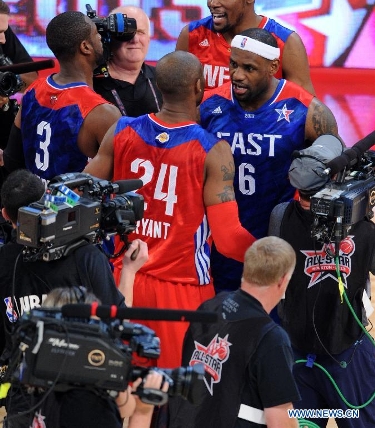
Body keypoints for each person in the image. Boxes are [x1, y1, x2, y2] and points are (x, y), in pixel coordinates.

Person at [84, 50, 256, 368]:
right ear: (198, 87)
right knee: (178, 402)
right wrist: (271, 254)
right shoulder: (213, 150)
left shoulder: (121, 130)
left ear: (159, 86)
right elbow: (229, 240)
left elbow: (82, 193)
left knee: (124, 392)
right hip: (183, 293)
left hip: (124, 280)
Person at [0, 169, 148, 428]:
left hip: (24, 401)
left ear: (5, 214)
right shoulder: (86, 256)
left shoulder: (3, 262)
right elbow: (118, 325)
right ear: (48, 199)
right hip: (82, 398)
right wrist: (129, 272)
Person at [200, 27, 338, 293]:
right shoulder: (208, 105)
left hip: (281, 238)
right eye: (233, 65)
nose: (237, 75)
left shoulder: (307, 111)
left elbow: (334, 173)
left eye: (249, 68)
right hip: (218, 242)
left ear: (273, 66)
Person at [268, 135, 375, 428]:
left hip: (347, 354)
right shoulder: (280, 217)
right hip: (300, 357)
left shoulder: (363, 227)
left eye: (311, 194)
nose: (306, 202)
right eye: (301, 194)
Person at [168, 236, 300, 428]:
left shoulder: (209, 306)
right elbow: (281, 422)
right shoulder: (271, 338)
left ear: (246, 269)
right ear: (282, 281)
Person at [4, 286, 168, 428]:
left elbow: (122, 408)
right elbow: (120, 410)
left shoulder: (44, 377)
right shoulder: (84, 403)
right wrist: (143, 411)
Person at [2, 11, 121, 181]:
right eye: (96, 33)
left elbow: (12, 159)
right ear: (85, 47)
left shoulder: (33, 91)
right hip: (74, 207)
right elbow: (121, 179)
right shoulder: (103, 113)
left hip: (32, 205)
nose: (101, 38)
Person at [176, 0, 315, 94]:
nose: (213, 3)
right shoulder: (191, 35)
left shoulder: (286, 42)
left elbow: (305, 109)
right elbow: (175, 100)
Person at [93, 5, 163, 116]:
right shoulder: (91, 84)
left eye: (140, 32)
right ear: (109, 37)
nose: (135, 40)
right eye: (127, 33)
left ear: (149, 39)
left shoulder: (163, 80)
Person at [0, 0, 38, 192]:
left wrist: (8, 78)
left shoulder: (3, 35)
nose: (3, 39)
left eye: (4, 32)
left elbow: (33, 79)